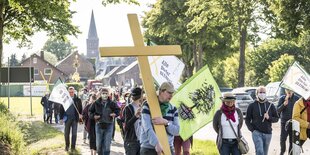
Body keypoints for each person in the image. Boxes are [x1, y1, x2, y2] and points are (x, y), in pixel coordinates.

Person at [140, 82, 180, 155]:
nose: (171, 95)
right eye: (169, 92)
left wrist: (166, 123)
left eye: (172, 93)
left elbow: (177, 131)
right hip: (149, 148)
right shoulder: (147, 106)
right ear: (161, 91)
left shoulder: (173, 109)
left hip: (168, 148)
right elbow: (147, 128)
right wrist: (156, 143)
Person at [245, 86, 279, 155]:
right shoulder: (252, 105)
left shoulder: (270, 105)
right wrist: (252, 130)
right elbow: (247, 119)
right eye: (260, 92)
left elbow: (276, 118)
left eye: (264, 92)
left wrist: (269, 118)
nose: (262, 94)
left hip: (268, 133)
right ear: (257, 94)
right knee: (260, 151)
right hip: (257, 133)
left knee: (265, 153)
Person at [89, 87, 120, 155]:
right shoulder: (96, 103)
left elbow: (118, 110)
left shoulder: (112, 103)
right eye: (103, 93)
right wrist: (94, 116)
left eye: (106, 93)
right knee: (99, 144)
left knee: (107, 144)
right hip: (99, 124)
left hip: (109, 125)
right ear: (100, 94)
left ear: (108, 94)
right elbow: (90, 112)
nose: (105, 95)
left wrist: (115, 114)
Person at [59, 86, 83, 152]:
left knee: (74, 134)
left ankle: (73, 147)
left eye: (72, 92)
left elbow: (80, 110)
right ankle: (67, 146)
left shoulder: (78, 100)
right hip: (67, 119)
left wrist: (80, 119)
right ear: (68, 92)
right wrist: (61, 118)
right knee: (66, 133)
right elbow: (61, 109)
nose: (71, 93)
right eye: (70, 92)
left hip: (75, 119)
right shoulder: (64, 99)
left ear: (74, 92)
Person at [277, 89, 299, 155]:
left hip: (294, 123)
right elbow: (278, 110)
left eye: (290, 90)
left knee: (292, 141)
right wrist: (284, 104)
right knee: (283, 139)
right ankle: (282, 151)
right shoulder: (282, 98)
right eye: (287, 89)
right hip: (284, 122)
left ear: (293, 90)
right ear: (285, 91)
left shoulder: (297, 98)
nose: (289, 91)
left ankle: (290, 153)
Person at [123, 87, 143, 155]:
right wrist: (135, 116)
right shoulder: (128, 108)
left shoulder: (143, 107)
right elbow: (126, 127)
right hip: (131, 142)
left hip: (142, 141)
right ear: (140, 96)